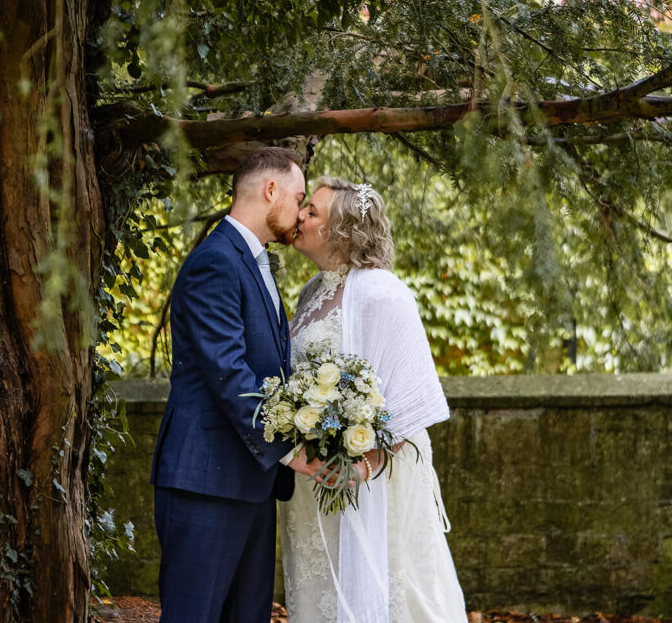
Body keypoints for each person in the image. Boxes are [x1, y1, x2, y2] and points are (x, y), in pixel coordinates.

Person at [149, 148, 354, 622]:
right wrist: (291, 450)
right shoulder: (215, 262)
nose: (301, 212)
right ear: (269, 191)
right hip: (206, 483)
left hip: (251, 481)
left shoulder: (254, 260)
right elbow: (230, 375)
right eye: (299, 197)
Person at [281, 176, 467, 622]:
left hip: (372, 479)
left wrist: (363, 467)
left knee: (393, 589)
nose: (300, 216)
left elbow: (410, 399)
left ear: (341, 231)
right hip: (317, 479)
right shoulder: (311, 292)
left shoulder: (383, 293)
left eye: (313, 211)